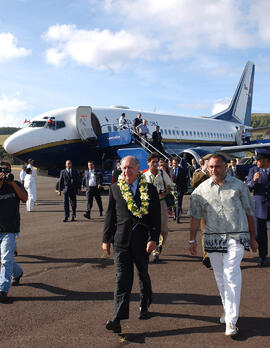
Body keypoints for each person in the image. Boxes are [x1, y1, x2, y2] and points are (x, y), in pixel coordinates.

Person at [189, 154, 257, 336]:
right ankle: (227, 311)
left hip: (236, 236)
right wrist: (192, 239)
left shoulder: (239, 186)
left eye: (217, 167)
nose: (214, 170)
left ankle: (232, 322)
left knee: (231, 274)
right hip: (213, 239)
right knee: (220, 277)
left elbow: (250, 213)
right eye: (210, 167)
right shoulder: (201, 190)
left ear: (225, 167)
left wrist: (253, 237)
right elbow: (195, 216)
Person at [102, 156, 161, 333]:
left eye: (129, 168)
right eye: (123, 168)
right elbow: (110, 216)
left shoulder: (149, 190)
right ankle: (117, 319)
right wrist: (106, 239)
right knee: (122, 279)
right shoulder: (115, 189)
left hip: (142, 242)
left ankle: (145, 305)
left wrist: (153, 238)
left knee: (143, 274)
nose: (126, 171)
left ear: (137, 169)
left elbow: (155, 218)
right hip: (121, 241)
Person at [0, 161, 27, 301]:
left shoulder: (16, 184)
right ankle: (17, 273)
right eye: (2, 171)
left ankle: (2, 290)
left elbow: (25, 198)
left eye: (7, 171)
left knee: (5, 259)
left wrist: (12, 184)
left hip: (10, 229)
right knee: (5, 259)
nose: (5, 174)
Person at [145, 152, 173, 263]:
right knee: (152, 229)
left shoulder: (162, 173)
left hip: (161, 203)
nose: (155, 164)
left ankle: (159, 245)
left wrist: (165, 193)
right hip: (150, 205)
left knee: (164, 229)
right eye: (153, 162)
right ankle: (154, 252)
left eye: (157, 162)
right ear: (148, 163)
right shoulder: (144, 176)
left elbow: (170, 185)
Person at [246, 148, 270, 266]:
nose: (256, 162)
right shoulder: (253, 171)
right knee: (260, 234)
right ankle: (262, 256)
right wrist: (253, 181)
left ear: (266, 160)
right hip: (259, 206)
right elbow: (247, 188)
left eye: (259, 159)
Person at [171, 157, 188, 223]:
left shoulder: (182, 170)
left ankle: (178, 217)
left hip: (180, 189)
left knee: (179, 204)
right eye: (173, 163)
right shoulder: (170, 170)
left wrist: (185, 189)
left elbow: (185, 181)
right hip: (172, 189)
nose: (174, 164)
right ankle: (175, 214)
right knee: (173, 203)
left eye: (175, 163)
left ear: (178, 163)